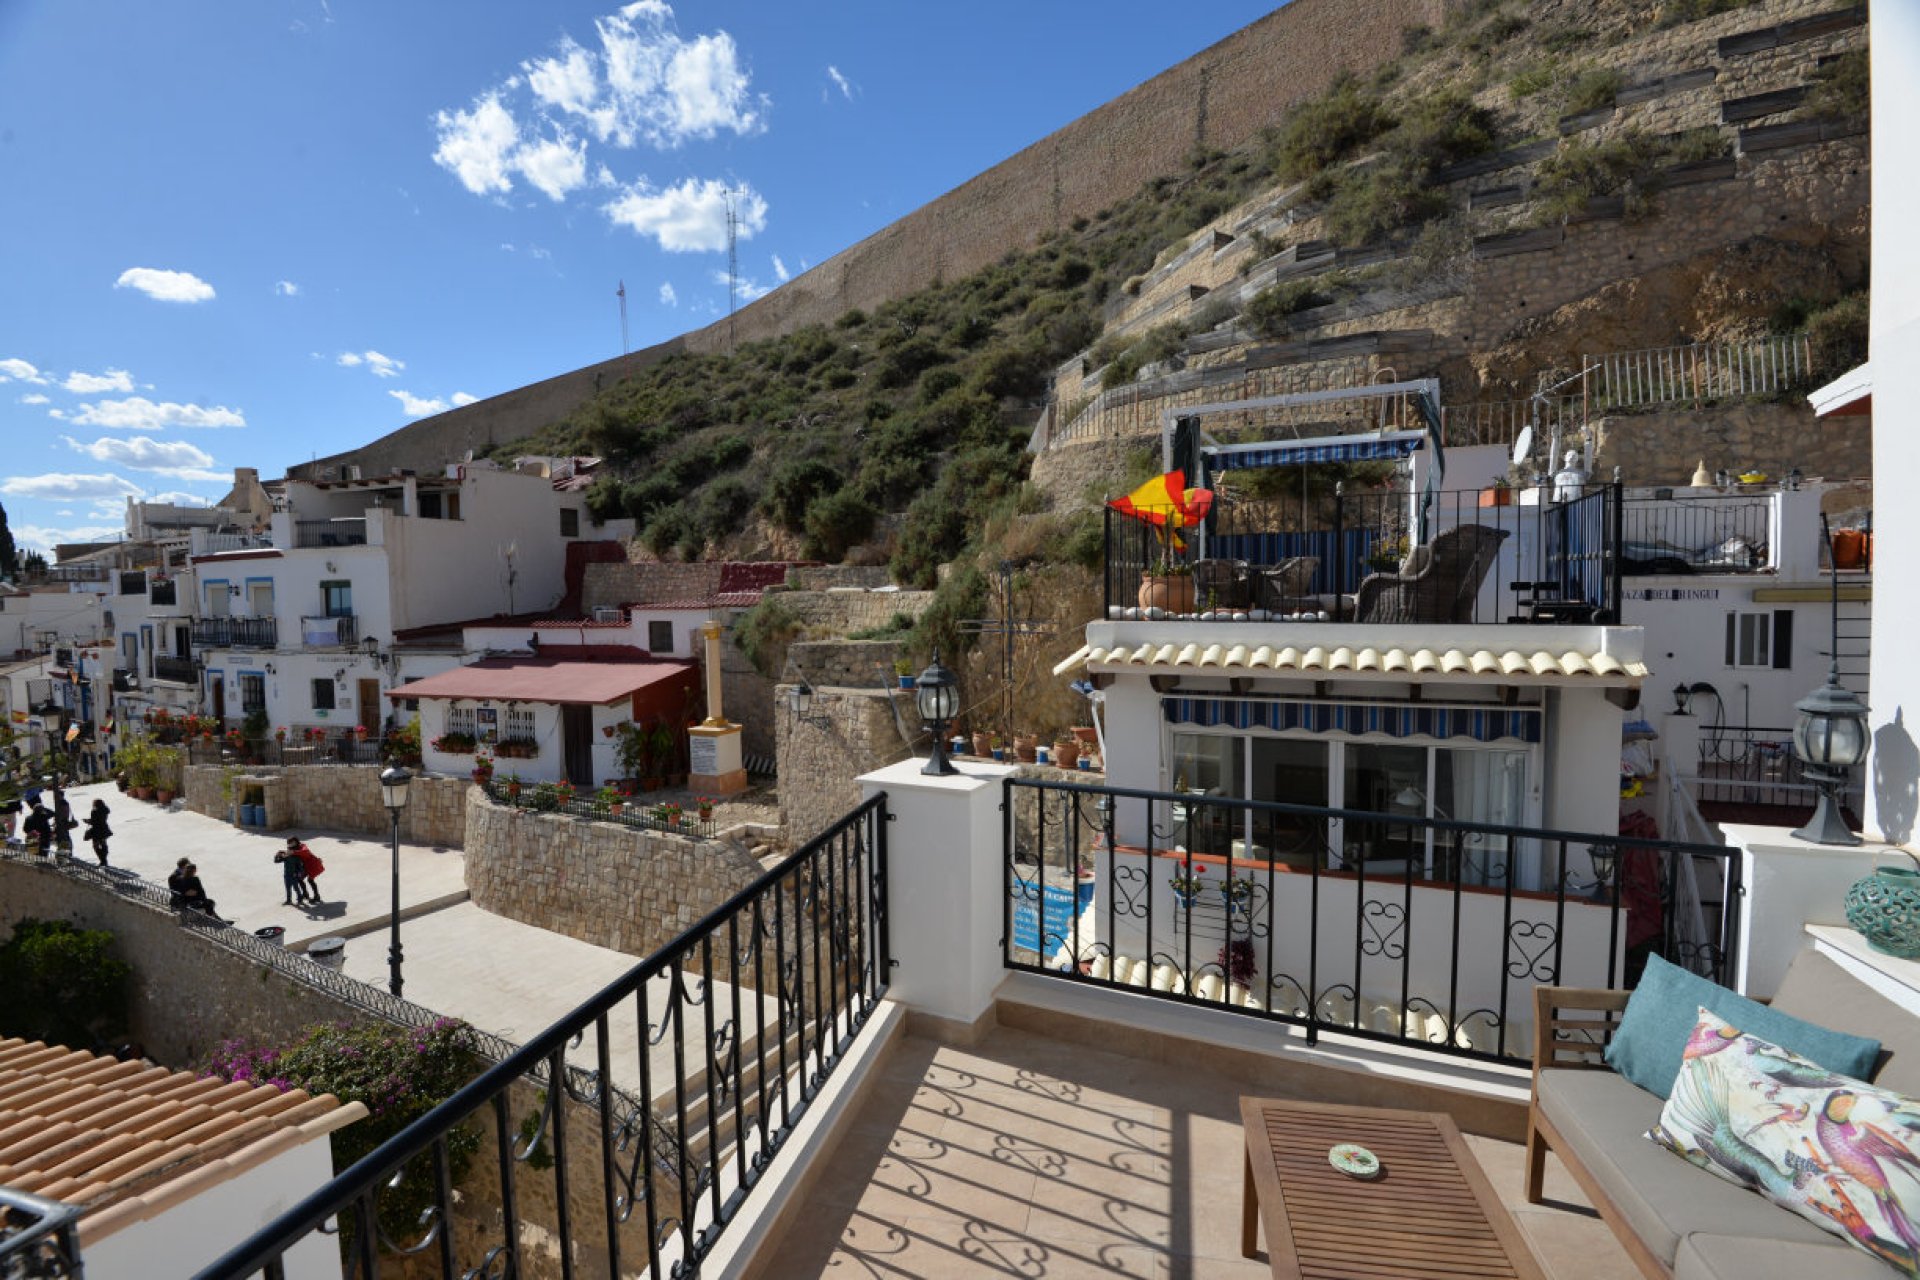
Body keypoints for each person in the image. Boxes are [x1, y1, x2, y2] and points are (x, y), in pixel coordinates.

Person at [277, 837, 315, 906]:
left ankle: (302, 898)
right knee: (289, 888)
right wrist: (278, 855)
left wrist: (299, 873)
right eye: (289, 844)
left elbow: (300, 865)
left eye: (291, 843)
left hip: (296, 873)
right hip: (287, 875)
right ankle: (289, 900)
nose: (288, 851)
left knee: (297, 887)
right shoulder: (287, 855)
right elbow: (277, 860)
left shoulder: (298, 853)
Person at [83, 798, 111, 867]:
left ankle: (103, 860)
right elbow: (100, 820)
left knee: (95, 846)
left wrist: (87, 821)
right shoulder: (105, 810)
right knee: (103, 844)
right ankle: (104, 860)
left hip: (96, 830)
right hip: (104, 828)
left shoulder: (94, 811)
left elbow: (94, 821)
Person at [50, 782, 75, 854]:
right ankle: (67, 851)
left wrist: (56, 821)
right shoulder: (63, 803)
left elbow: (62, 814)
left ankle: (66, 851)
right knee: (64, 837)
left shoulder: (62, 803)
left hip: (62, 823)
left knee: (63, 838)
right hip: (63, 823)